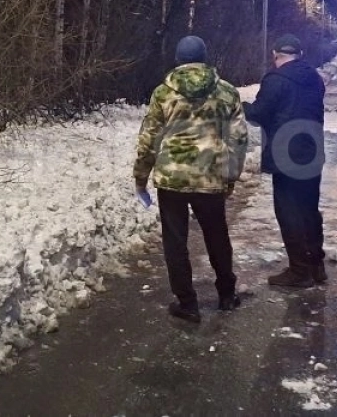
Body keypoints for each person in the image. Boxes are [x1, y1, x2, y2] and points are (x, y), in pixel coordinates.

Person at [134, 35, 248, 322]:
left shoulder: (163, 93)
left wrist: (141, 176)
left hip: (172, 179)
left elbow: (149, 138)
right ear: (205, 57)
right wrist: (231, 174)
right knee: (217, 235)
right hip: (210, 177)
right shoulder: (226, 92)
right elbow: (239, 137)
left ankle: (187, 302)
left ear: (178, 59)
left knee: (175, 241)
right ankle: (226, 294)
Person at [242, 34, 327, 288]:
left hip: (285, 154)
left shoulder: (276, 79)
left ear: (275, 54)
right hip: (311, 151)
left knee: (288, 211)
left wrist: (242, 105)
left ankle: (299, 271)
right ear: (299, 54)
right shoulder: (314, 78)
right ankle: (316, 266)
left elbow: (258, 114)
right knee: (309, 209)